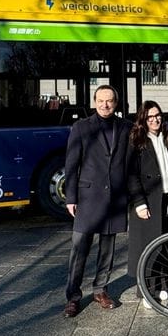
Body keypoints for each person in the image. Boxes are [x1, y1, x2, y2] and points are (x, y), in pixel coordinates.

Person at [62, 85, 132, 318]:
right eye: (101, 100)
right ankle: (73, 296)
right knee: (79, 248)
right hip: (87, 198)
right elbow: (71, 165)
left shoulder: (126, 128)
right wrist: (70, 197)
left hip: (114, 198)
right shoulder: (81, 128)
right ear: (94, 102)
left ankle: (100, 289)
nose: (105, 105)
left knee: (107, 249)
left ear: (116, 103)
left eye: (109, 101)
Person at [127, 101, 168, 310]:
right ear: (143, 120)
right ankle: (146, 290)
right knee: (147, 248)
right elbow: (131, 176)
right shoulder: (137, 142)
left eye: (157, 115)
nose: (155, 119)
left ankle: (162, 284)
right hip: (147, 201)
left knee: (165, 245)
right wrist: (139, 202)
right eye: (150, 117)